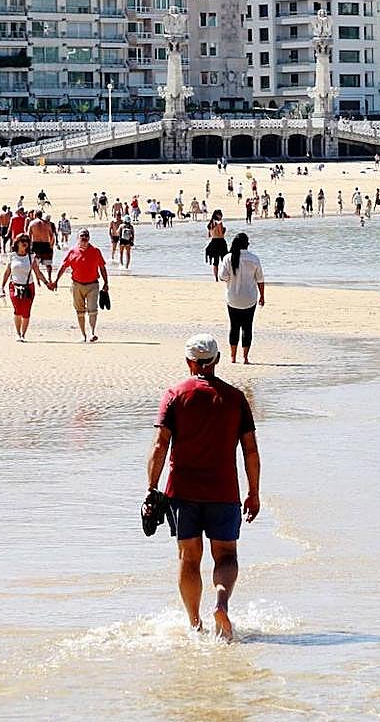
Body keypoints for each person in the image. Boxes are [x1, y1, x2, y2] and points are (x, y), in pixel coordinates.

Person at [146, 333, 261, 641]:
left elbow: (160, 445)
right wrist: (254, 492)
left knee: (189, 557)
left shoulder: (174, 394)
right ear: (217, 361)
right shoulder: (235, 398)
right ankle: (221, 603)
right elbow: (250, 449)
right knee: (225, 556)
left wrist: (151, 488)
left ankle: (195, 623)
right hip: (224, 492)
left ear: (189, 362)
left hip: (183, 492)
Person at [53, 228, 109, 343]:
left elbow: (102, 267)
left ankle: (92, 333)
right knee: (80, 311)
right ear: (78, 238)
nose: (84, 238)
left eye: (86, 236)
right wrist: (56, 281)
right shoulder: (72, 252)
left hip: (93, 284)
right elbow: (63, 266)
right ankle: (83, 335)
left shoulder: (96, 251)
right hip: (76, 285)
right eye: (82, 236)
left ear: (89, 238)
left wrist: (106, 283)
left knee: (93, 309)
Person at [219, 233, 265, 364]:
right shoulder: (254, 259)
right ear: (247, 244)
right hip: (250, 298)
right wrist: (262, 296)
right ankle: (245, 358)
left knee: (234, 327)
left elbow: (223, 277)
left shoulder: (228, 258)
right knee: (247, 327)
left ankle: (233, 357)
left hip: (233, 298)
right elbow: (260, 279)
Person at [0, 234, 45, 341]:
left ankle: (23, 334)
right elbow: (7, 272)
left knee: (26, 311)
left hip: (28, 287)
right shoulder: (12, 256)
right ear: (17, 243)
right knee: (17, 310)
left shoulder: (31, 257)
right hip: (14, 286)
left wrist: (47, 283)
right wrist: (1, 286)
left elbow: (37, 272)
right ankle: (17, 333)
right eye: (22, 241)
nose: (24, 243)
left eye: (27, 241)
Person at [28, 212, 56, 282]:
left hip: (36, 244)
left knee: (35, 264)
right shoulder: (47, 224)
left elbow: (29, 236)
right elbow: (52, 235)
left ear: (35, 215)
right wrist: (51, 245)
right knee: (48, 264)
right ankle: (49, 277)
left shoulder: (32, 223)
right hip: (46, 244)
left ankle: (38, 278)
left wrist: (30, 246)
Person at [205, 210, 228, 281]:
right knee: (224, 260)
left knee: (215, 262)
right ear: (217, 215)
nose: (221, 216)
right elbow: (221, 234)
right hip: (220, 242)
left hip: (213, 242)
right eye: (220, 215)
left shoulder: (210, 224)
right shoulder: (219, 223)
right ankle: (224, 276)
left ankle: (216, 278)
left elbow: (209, 235)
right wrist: (224, 230)